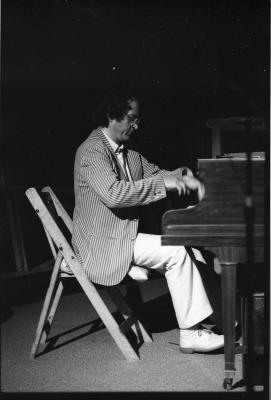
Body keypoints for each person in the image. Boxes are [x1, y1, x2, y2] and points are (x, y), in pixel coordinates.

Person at [71, 91, 224, 353]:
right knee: (176, 251)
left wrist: (185, 176)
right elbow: (115, 194)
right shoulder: (91, 151)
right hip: (102, 244)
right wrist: (166, 183)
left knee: (191, 249)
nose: (137, 125)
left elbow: (159, 174)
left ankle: (221, 318)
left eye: (138, 119)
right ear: (111, 115)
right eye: (131, 119)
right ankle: (190, 334)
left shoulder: (129, 154)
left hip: (123, 236)